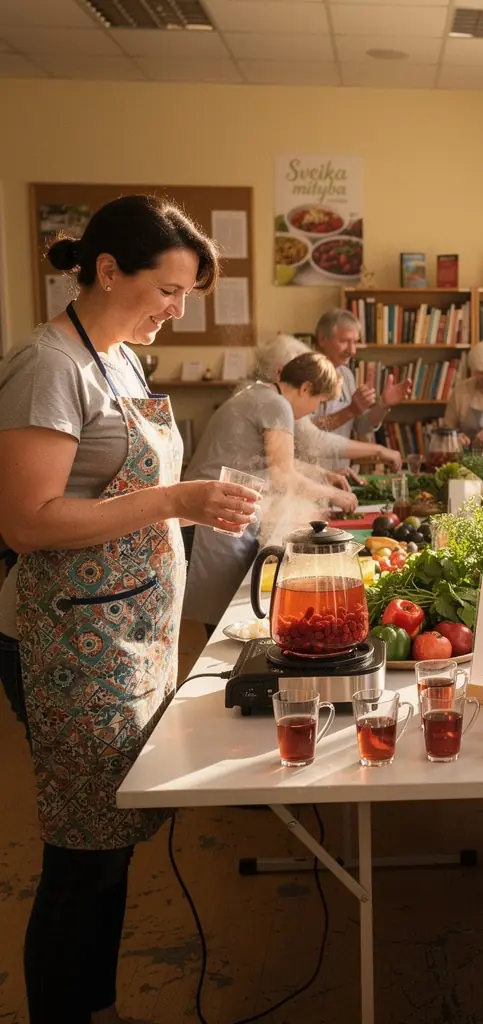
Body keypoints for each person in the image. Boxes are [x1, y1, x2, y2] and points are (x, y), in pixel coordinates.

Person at [0, 195, 260, 1024]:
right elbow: (27, 521)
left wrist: (189, 506)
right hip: (66, 636)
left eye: (187, 296)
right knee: (82, 854)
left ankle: (95, 1006)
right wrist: (175, 500)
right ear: (108, 270)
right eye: (168, 291)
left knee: (111, 842)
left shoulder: (120, 360)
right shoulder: (49, 365)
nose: (176, 311)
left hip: (126, 632)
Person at [182, 351, 393, 632]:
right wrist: (334, 495)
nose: (316, 411)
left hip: (215, 511)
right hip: (214, 520)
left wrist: (324, 475)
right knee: (226, 625)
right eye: (319, 402)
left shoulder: (261, 394)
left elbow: (280, 461)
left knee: (232, 619)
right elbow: (283, 477)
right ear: (306, 388)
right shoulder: (276, 404)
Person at [252, 333, 402, 471]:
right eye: (344, 340)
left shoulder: (267, 394)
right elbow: (311, 440)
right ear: (279, 373)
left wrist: (325, 475)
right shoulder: (273, 403)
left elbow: (286, 463)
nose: (352, 350)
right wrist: (378, 449)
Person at [311, 308, 413, 468]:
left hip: (341, 477)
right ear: (323, 339)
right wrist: (351, 410)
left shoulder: (346, 374)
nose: (352, 351)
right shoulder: (304, 377)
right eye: (345, 341)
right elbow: (307, 434)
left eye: (355, 342)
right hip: (309, 478)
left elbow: (361, 426)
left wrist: (383, 405)